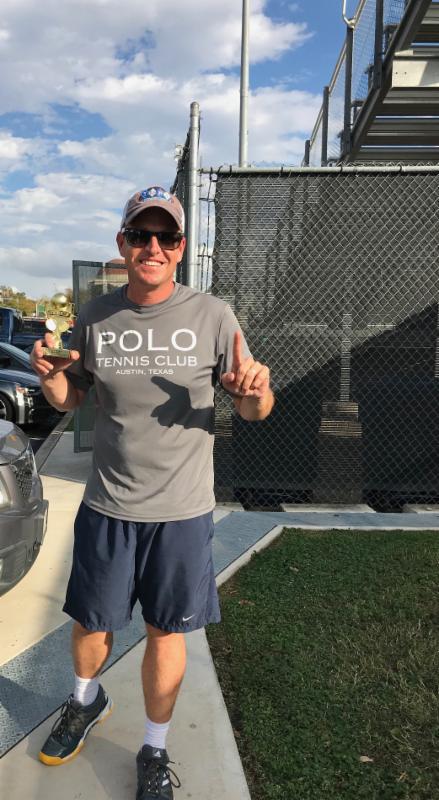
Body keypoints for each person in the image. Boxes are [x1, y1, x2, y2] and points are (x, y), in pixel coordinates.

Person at [31, 186, 274, 799]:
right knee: (92, 623)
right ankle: (85, 701)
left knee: (167, 632)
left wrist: (253, 393)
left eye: (167, 236)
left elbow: (254, 409)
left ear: (181, 248)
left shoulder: (213, 315)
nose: (153, 247)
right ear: (123, 244)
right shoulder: (96, 315)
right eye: (141, 235)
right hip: (107, 505)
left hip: (181, 513)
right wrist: (53, 381)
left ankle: (155, 748)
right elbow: (72, 397)